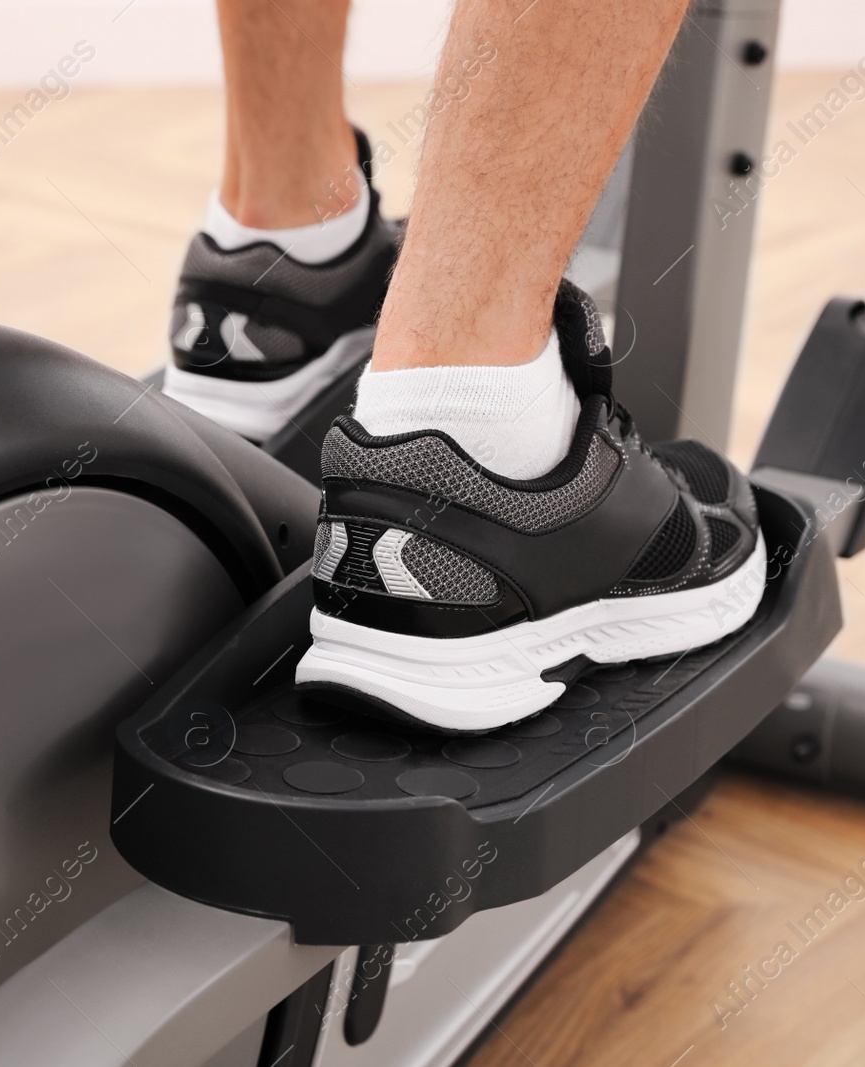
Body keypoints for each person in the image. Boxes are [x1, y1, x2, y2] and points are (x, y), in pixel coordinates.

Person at [163, 0, 765, 732]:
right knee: (470, 351)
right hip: (477, 523)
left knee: (298, 212)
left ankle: (284, 243)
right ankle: (471, 407)